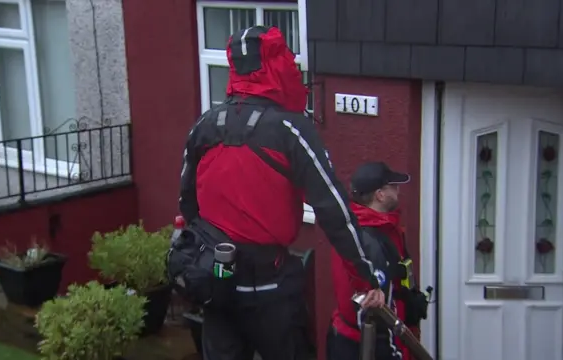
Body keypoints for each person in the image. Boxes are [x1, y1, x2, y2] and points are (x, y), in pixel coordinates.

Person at [178, 26, 384, 360]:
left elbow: (186, 203)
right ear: (278, 67)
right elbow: (333, 209)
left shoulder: (205, 125)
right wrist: (365, 275)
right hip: (270, 290)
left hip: (218, 281)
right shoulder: (291, 129)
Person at [328, 161, 417, 360]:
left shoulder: (382, 228)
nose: (398, 191)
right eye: (393, 186)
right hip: (368, 344)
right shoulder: (364, 239)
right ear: (380, 194)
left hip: (377, 337)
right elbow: (372, 312)